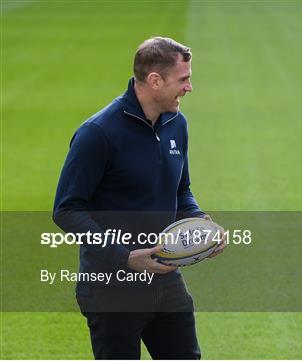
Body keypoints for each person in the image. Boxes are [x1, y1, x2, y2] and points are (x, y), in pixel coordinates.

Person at [53, 36, 224, 359]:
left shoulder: (177, 124)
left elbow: (180, 189)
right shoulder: (97, 133)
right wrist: (125, 256)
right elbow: (66, 209)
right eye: (183, 79)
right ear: (155, 81)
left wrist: (201, 223)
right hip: (110, 287)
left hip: (165, 279)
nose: (189, 88)